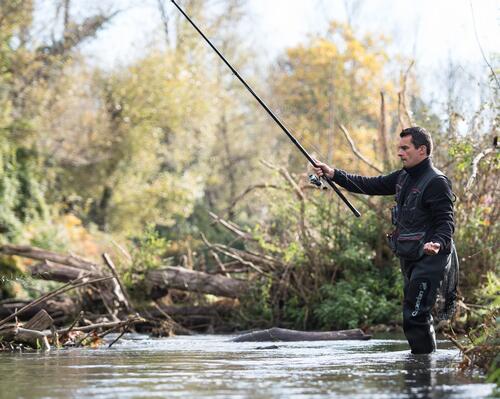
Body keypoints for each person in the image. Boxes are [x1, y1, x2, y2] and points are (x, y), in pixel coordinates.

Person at [313, 126, 458, 354]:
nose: (399, 153)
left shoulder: (437, 182)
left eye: (405, 148)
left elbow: (446, 222)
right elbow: (368, 184)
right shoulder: (402, 177)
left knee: (415, 314)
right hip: (410, 255)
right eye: (399, 148)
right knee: (413, 313)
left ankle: (424, 372)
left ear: (422, 150)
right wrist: (333, 174)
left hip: (432, 257)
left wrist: (438, 243)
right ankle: (423, 365)